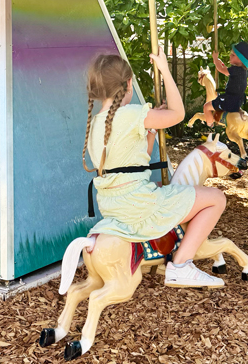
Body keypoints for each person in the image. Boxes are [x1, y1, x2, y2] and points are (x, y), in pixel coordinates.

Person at [83, 52, 228, 288]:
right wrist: (164, 69)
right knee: (216, 198)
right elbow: (178, 114)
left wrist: (150, 128)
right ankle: (180, 265)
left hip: (112, 204)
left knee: (167, 189)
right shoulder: (131, 114)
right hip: (139, 204)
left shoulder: (95, 123)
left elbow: (138, 159)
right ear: (128, 84)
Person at [203, 41, 248, 127]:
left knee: (206, 107)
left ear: (240, 59)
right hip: (238, 101)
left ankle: (209, 124)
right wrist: (219, 63)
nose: (230, 56)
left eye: (233, 55)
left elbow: (221, 69)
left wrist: (215, 59)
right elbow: (225, 70)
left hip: (229, 101)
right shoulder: (243, 71)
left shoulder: (235, 70)